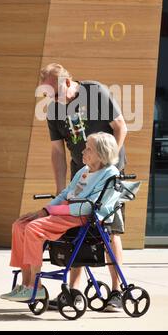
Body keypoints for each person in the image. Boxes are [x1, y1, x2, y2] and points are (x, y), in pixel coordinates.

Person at [40, 63, 128, 311]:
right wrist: (61, 190)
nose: (53, 99)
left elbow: (120, 126)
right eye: (48, 95)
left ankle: (117, 291)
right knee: (76, 230)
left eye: (55, 93)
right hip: (82, 175)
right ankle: (74, 292)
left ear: (68, 82)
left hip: (108, 174)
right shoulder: (53, 111)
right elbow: (58, 152)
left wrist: (109, 164)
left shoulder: (95, 92)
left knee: (110, 231)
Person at [0, 133, 120, 302]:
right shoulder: (84, 171)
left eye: (88, 149)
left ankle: (36, 286)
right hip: (67, 212)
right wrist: (44, 210)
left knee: (33, 228)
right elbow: (66, 193)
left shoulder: (110, 174)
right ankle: (26, 283)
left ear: (101, 153)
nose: (83, 152)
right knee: (20, 225)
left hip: (83, 217)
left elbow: (88, 206)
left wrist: (53, 211)